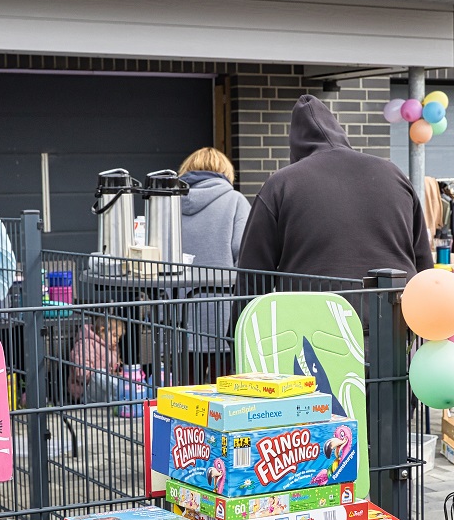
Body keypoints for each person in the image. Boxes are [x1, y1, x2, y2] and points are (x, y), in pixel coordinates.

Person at [238, 95, 431, 280]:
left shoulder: (281, 184)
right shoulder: (393, 173)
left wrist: (245, 305)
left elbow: (253, 272)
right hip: (395, 299)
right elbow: (423, 261)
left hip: (314, 301)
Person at [178, 147, 249, 381]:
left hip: (178, 317)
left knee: (185, 391)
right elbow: (244, 254)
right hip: (222, 316)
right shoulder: (235, 201)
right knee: (224, 390)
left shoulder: (168, 204)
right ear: (226, 172)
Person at [68, 316, 126, 404]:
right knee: (98, 374)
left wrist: (117, 371)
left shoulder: (112, 347)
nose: (117, 340)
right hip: (85, 391)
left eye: (119, 337)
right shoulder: (86, 344)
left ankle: (125, 393)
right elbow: (81, 372)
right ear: (102, 330)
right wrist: (108, 374)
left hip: (105, 389)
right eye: (115, 336)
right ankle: (124, 394)